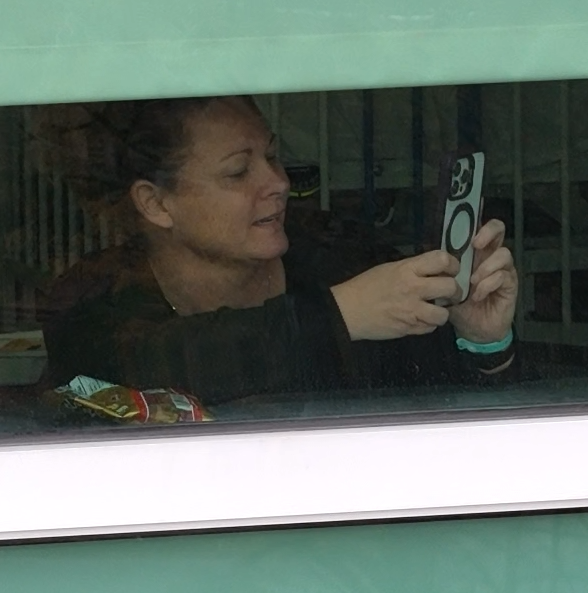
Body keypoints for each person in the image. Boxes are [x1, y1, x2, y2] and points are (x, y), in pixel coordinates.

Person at [44, 94, 519, 416]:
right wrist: (339, 317)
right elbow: (144, 371)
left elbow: (460, 425)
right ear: (155, 203)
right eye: (237, 172)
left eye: (272, 156)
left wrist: (483, 342)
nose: (278, 183)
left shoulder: (344, 261)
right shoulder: (95, 300)